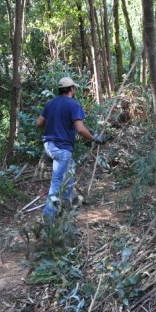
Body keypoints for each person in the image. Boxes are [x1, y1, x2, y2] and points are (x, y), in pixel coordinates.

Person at [36, 76, 102, 218]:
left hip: (49, 146)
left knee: (70, 170)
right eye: (74, 88)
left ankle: (65, 204)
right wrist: (94, 138)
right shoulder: (73, 105)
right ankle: (48, 217)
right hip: (61, 148)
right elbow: (80, 129)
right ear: (71, 89)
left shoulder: (50, 103)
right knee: (57, 181)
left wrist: (55, 123)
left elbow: (39, 123)